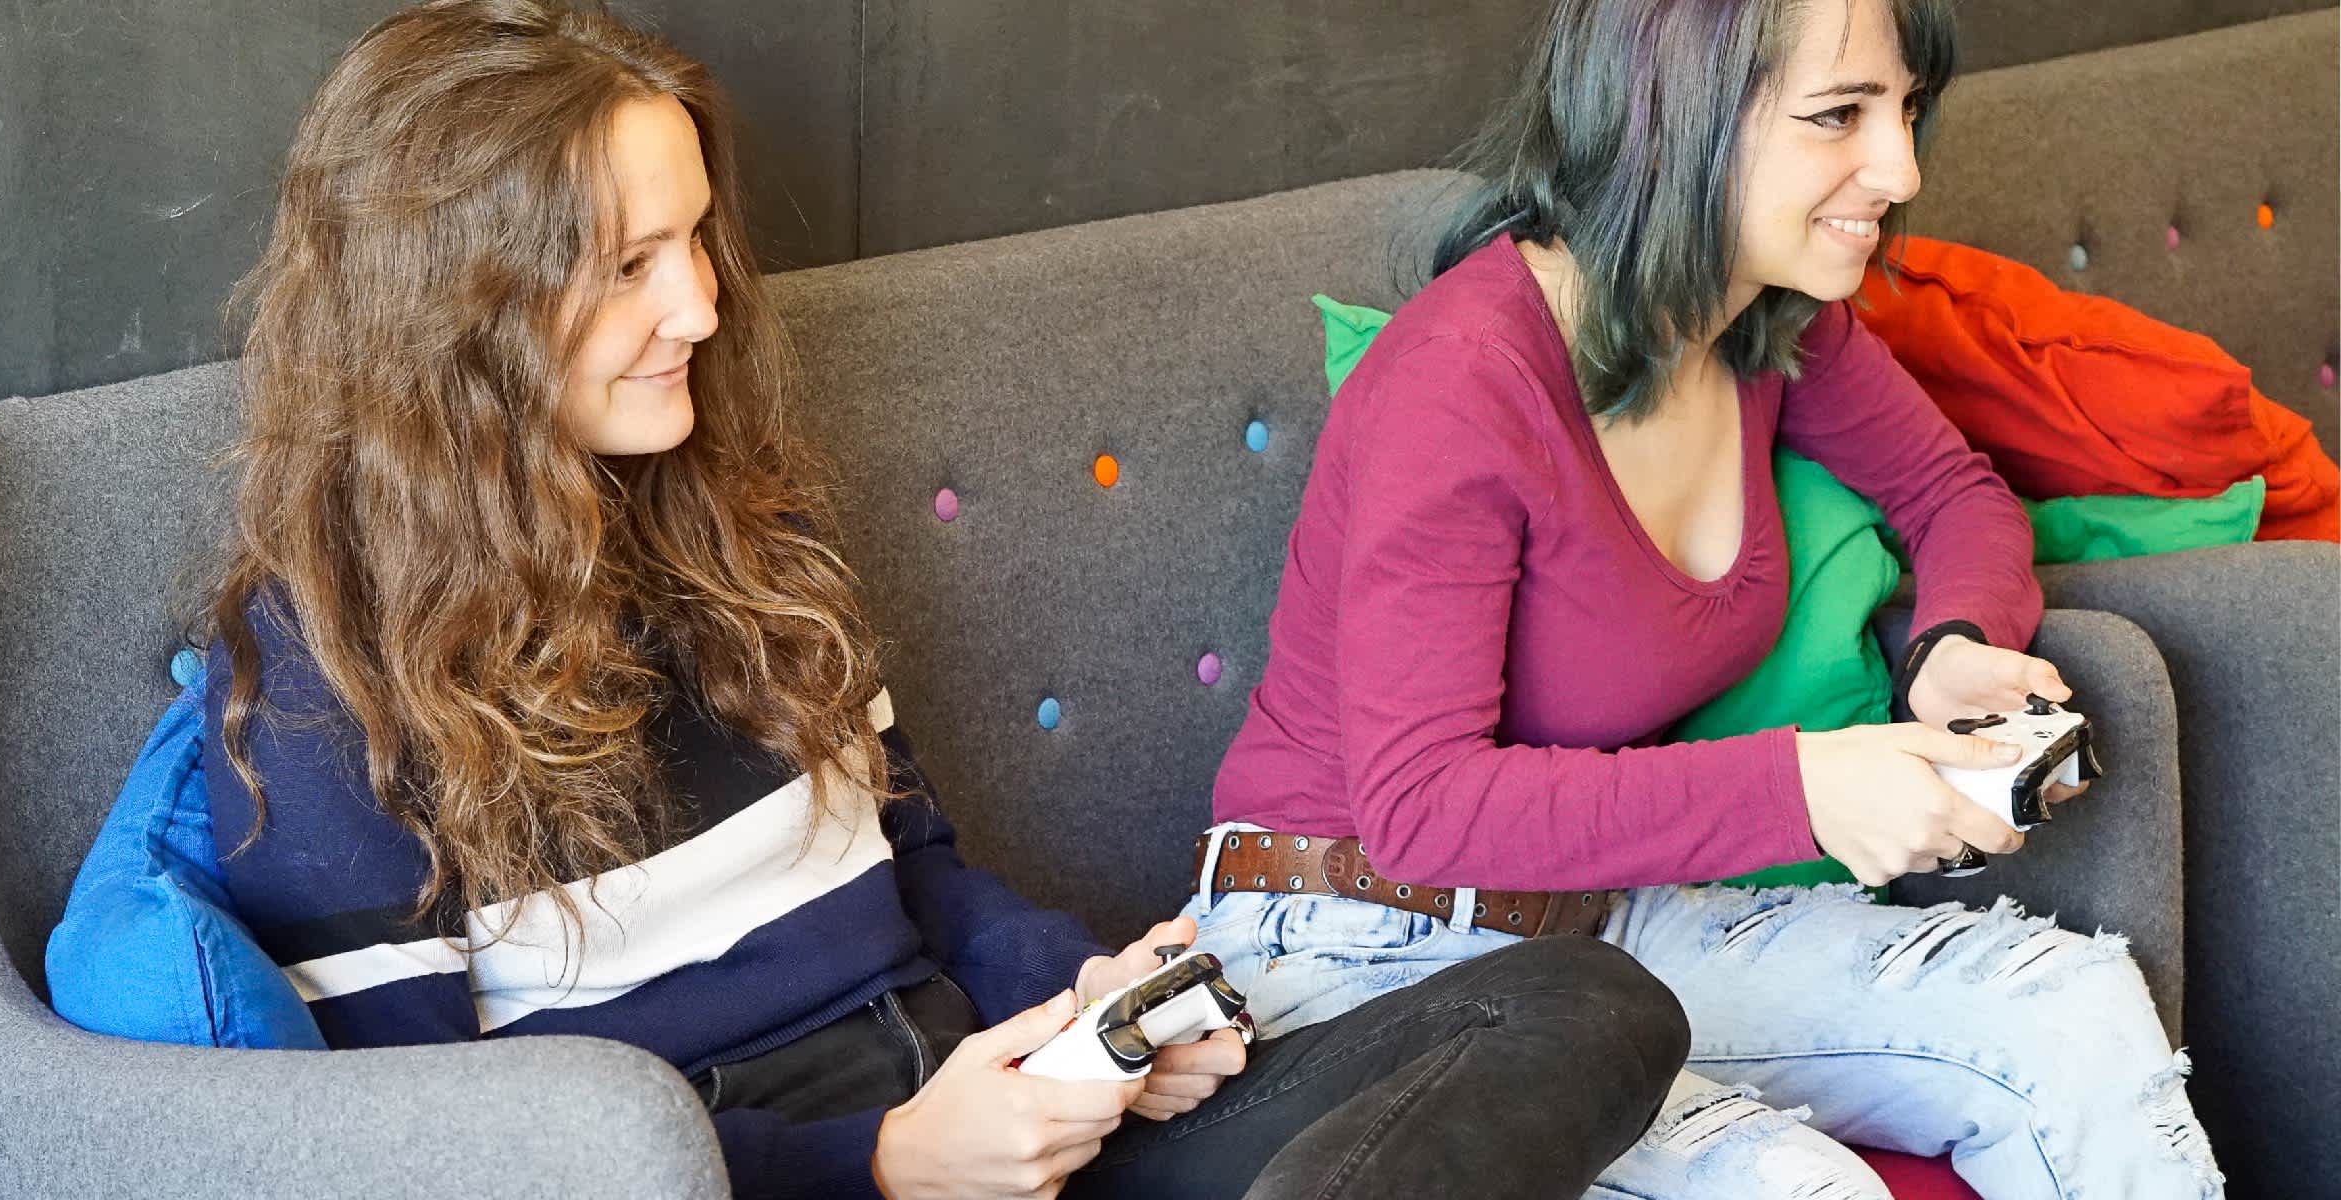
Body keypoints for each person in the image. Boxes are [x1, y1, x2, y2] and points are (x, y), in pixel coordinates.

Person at [191, 2, 1690, 1197]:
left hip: (1003, 1112)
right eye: (629, 264)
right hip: (786, 1173)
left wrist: (1100, 1000)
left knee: (1588, 1007)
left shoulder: (739, 538)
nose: (701, 309)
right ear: (458, 305)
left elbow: (926, 872)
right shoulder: (323, 686)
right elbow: (453, 1154)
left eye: (698, 242)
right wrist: (887, 1166)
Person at [1183, 0, 2224, 1197]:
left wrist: (1956, 642)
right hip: (1349, 940)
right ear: (1671, 118)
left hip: (1589, 922)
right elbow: (1420, 806)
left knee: (2074, 1005)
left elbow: (1954, 494)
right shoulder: (1462, 383)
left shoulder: (1765, 325)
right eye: (1840, 115)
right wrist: (1804, 788)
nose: (1901, 169)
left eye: (1906, 110)